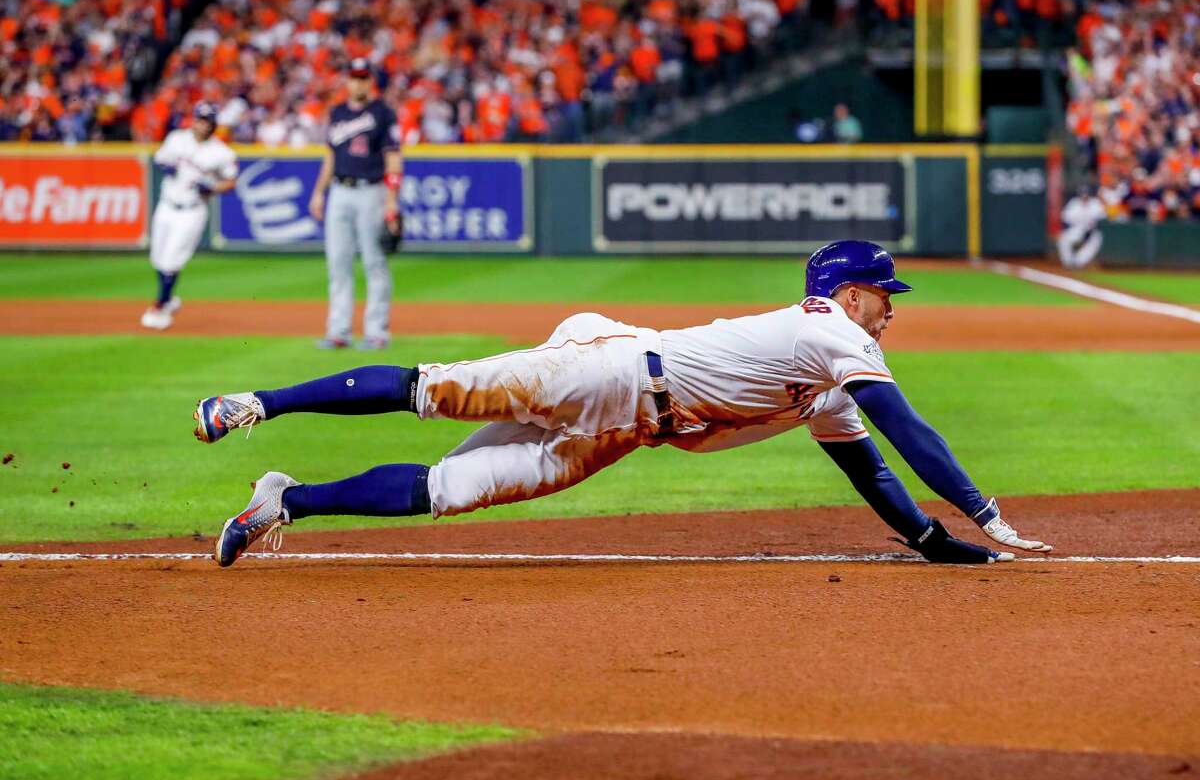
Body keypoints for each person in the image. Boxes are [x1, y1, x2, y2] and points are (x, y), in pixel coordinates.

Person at [193, 240, 1052, 568]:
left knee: (448, 492)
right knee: (436, 390)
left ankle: (284, 503)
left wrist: (933, 540)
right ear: (849, 293)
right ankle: (254, 403)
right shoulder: (832, 332)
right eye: (883, 292)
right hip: (611, 373)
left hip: (627, 430)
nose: (891, 306)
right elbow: (910, 430)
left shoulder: (829, 377)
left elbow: (867, 462)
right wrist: (982, 510)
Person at [307, 58, 402, 351]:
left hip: (370, 191)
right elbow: (330, 157)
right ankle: (339, 332)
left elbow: (394, 158)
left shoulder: (383, 113)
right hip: (339, 190)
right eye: (354, 77)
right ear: (347, 80)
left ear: (370, 81)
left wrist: (391, 201)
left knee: (374, 262)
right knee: (338, 262)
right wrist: (318, 193)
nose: (358, 82)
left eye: (363, 77)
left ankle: (376, 332)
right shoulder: (337, 112)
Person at [141, 103, 237, 330]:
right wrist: (168, 166)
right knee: (158, 258)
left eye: (207, 121)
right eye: (199, 119)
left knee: (172, 260)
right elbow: (160, 158)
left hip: (192, 210)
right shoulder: (176, 139)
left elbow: (231, 181)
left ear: (213, 125)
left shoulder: (221, 152)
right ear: (193, 120)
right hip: (166, 205)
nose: (202, 124)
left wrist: (212, 188)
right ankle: (170, 299)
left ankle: (161, 307)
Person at [1057, 184, 1107, 268]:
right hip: (1077, 229)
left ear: (1089, 195)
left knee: (1097, 238)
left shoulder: (1095, 203)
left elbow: (1103, 216)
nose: (1084, 197)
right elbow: (1064, 217)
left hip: (1091, 230)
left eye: (1086, 194)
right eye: (1083, 194)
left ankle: (1079, 262)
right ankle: (1068, 262)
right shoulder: (1074, 203)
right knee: (1063, 239)